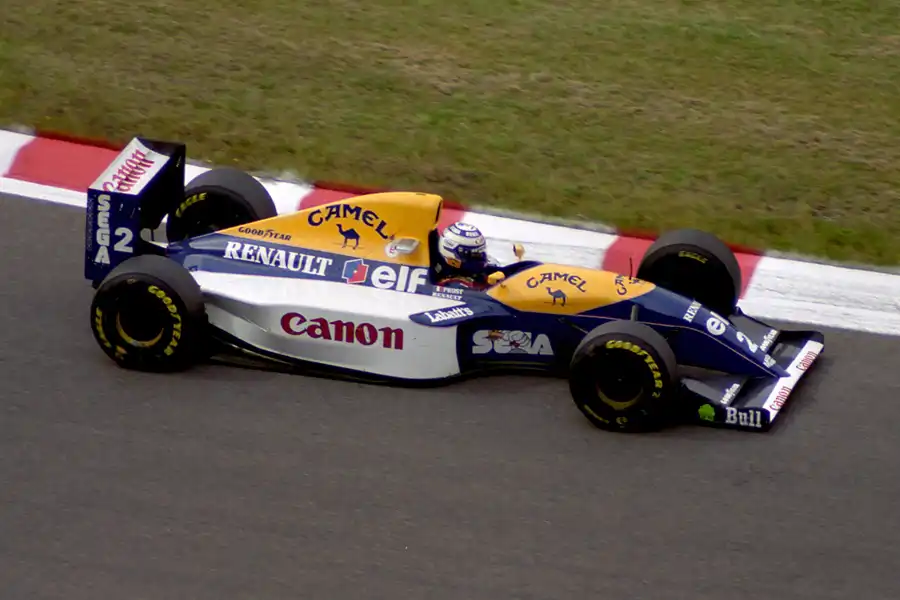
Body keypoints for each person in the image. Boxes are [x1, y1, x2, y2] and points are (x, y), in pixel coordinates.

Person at [433, 222, 499, 290]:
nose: (480, 259)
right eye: (472, 254)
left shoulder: (486, 269)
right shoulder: (451, 284)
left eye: (479, 253)